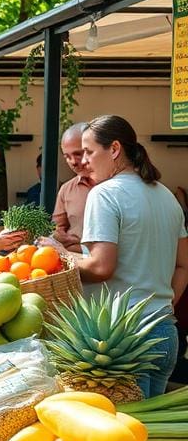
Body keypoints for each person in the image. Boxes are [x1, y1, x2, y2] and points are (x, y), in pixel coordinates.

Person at [69, 115, 188, 397]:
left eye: (89, 151)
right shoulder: (166, 196)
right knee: (149, 437)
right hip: (164, 332)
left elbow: (100, 267)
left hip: (122, 339)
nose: (84, 161)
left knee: (125, 437)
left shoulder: (105, 194)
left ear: (114, 149)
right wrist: (163, 303)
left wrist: (59, 254)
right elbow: (183, 265)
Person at [52, 123, 95, 253]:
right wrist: (58, 236)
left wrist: (77, 245)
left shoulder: (116, 186)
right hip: (77, 266)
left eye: (78, 154)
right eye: (67, 157)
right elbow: (56, 229)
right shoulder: (66, 189)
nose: (73, 162)